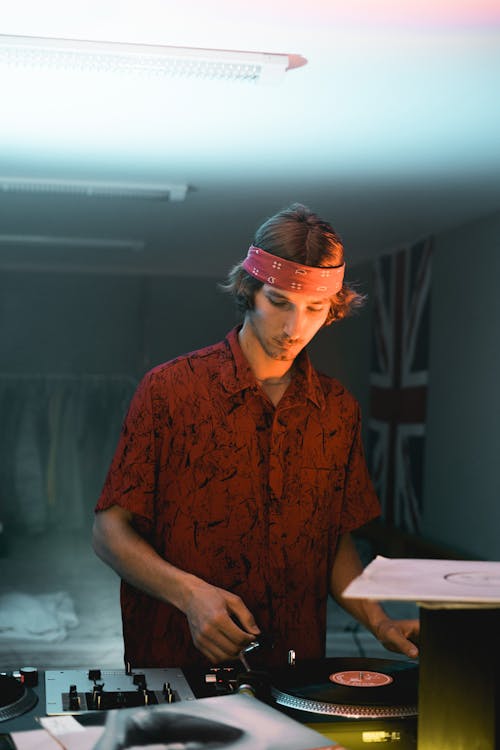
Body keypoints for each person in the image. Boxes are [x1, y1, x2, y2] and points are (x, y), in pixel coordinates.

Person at [92, 203, 419, 671]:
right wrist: (190, 596)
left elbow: (332, 544)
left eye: (314, 309)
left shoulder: (338, 410)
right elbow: (108, 533)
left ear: (332, 309)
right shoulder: (169, 390)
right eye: (279, 302)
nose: (294, 327)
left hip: (295, 666)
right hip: (176, 661)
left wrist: (381, 623)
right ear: (249, 290)